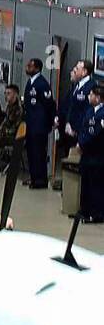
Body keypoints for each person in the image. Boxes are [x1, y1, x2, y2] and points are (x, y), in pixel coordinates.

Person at [56, 59, 96, 191]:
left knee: (78, 162)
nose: (74, 70)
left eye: (77, 68)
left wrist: (76, 129)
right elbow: (70, 107)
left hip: (79, 132)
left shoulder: (91, 88)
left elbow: (87, 112)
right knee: (69, 158)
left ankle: (74, 189)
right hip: (69, 129)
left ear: (84, 72)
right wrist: (65, 122)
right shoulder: (76, 85)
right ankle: (68, 186)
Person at [22, 57, 55, 189]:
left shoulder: (42, 84)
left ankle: (41, 180)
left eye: (30, 66)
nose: (27, 68)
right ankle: (34, 177)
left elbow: (49, 104)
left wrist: (50, 122)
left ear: (36, 68)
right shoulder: (30, 82)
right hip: (30, 124)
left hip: (39, 126)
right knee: (31, 152)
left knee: (38, 153)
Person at [77, 86, 104, 223]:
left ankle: (96, 214)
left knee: (96, 186)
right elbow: (83, 129)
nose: (88, 96)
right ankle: (84, 211)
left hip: (97, 155)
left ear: (98, 98)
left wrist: (83, 144)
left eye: (91, 95)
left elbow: (95, 134)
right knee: (85, 184)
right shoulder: (89, 111)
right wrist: (80, 143)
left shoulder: (102, 114)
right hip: (86, 154)